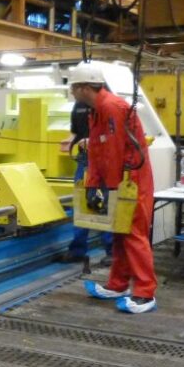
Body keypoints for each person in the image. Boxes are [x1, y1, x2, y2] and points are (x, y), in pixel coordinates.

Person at [68, 62, 158, 314]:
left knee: (133, 235)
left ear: (84, 87)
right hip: (116, 182)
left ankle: (145, 292)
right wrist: (94, 186)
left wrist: (110, 187)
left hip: (131, 181)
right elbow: (100, 152)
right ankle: (118, 284)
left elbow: (118, 152)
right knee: (119, 233)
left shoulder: (112, 108)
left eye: (74, 87)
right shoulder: (96, 111)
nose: (73, 93)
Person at [60, 99, 113, 267]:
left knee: (102, 204)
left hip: (103, 161)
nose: (73, 91)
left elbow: (115, 134)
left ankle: (112, 252)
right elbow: (77, 131)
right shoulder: (79, 105)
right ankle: (77, 251)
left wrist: (94, 141)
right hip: (84, 160)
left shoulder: (107, 105)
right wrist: (71, 139)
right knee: (81, 205)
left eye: (76, 87)